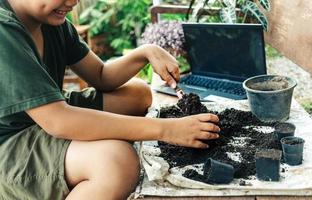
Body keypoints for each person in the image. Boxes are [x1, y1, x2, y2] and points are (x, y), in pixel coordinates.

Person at [0, 0, 220, 199]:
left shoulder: (52, 21)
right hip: (9, 144)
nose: (73, 2)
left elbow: (101, 76)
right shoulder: (4, 30)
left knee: (137, 94)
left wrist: (146, 52)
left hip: (42, 116)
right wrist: (166, 129)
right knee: (116, 161)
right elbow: (59, 121)